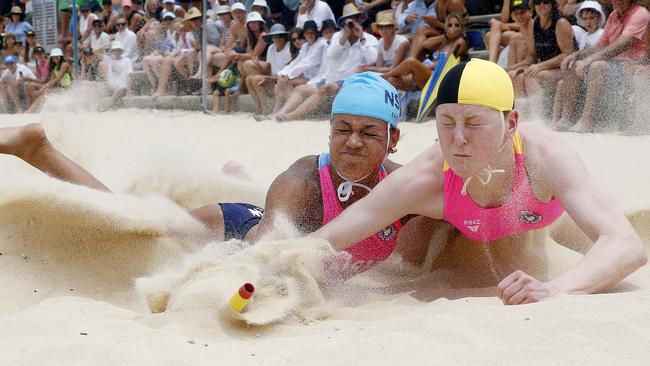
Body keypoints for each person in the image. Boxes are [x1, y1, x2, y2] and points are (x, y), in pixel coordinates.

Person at [0, 72, 438, 282]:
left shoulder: (406, 189)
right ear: (329, 130)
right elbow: (266, 246)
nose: (353, 142)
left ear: (394, 138)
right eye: (342, 129)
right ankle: (38, 147)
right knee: (137, 228)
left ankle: (239, 174)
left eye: (368, 133)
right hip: (239, 228)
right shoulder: (304, 177)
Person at [309, 59, 647, 304]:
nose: (458, 140)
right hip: (465, 240)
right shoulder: (427, 177)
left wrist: (554, 289)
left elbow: (626, 246)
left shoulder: (544, 157)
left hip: (547, 224)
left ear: (511, 123)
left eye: (474, 123)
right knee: (415, 244)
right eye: (446, 123)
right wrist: (273, 264)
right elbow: (328, 238)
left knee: (590, 235)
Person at [274, 3, 378, 121]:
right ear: (342, 23)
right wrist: (344, 37)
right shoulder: (337, 37)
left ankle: (291, 116)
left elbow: (372, 59)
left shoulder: (369, 39)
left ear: (359, 19)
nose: (351, 23)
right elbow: (331, 55)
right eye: (348, 21)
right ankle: (277, 114)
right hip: (331, 79)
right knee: (300, 89)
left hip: (350, 81)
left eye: (354, 19)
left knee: (324, 90)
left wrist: (361, 38)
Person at [559, 0, 650, 132]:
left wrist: (589, 60)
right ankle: (566, 119)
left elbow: (621, 44)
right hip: (615, 65)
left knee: (597, 66)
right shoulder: (614, 15)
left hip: (630, 65)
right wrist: (577, 55)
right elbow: (601, 44)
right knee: (571, 64)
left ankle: (586, 122)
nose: (616, 1)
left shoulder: (640, 13)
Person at [509, 0, 576, 119]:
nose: (541, 5)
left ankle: (539, 118)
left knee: (532, 77)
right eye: (537, 2)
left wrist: (540, 66)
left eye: (545, 2)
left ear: (552, 4)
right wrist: (524, 67)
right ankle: (522, 118)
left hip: (566, 69)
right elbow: (532, 54)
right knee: (517, 77)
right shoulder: (536, 23)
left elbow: (567, 54)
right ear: (533, 6)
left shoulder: (560, 22)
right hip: (547, 68)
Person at [270, 18, 337, 120]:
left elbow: (307, 63)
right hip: (308, 77)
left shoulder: (321, 44)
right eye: (307, 33)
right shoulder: (305, 46)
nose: (310, 35)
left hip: (315, 78)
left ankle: (284, 112)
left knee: (286, 82)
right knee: (281, 83)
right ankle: (277, 112)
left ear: (316, 33)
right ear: (304, 34)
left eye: (312, 32)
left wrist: (288, 75)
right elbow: (296, 62)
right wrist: (282, 74)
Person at [382, 13, 467, 92]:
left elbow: (445, 63)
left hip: (438, 76)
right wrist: (445, 36)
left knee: (411, 62)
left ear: (461, 28)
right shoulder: (444, 40)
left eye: (457, 25)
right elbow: (425, 45)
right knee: (392, 80)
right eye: (449, 25)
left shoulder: (460, 42)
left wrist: (420, 67)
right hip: (427, 73)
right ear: (445, 27)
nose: (453, 28)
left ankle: (383, 77)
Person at [246, 23, 293, 118]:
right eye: (275, 37)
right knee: (249, 78)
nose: (277, 39)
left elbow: (288, 74)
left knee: (256, 80)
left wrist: (270, 78)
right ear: (272, 38)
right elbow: (268, 69)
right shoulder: (271, 48)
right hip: (273, 79)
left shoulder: (289, 49)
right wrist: (258, 64)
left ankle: (266, 110)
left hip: (284, 82)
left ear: (285, 37)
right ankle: (259, 108)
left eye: (280, 36)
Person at [358, 9, 409, 74]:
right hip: (389, 74)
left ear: (394, 28)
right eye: (381, 27)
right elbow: (379, 67)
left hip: (403, 74)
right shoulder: (380, 42)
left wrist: (368, 69)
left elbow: (393, 68)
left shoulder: (402, 42)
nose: (384, 30)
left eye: (388, 27)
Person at [99, 41, 134, 111]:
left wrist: (129, 89)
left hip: (122, 87)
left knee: (118, 90)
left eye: (118, 50)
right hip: (111, 86)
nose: (117, 52)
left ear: (121, 51)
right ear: (112, 51)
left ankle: (106, 108)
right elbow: (95, 51)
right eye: (115, 50)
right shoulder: (109, 59)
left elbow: (129, 75)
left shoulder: (126, 60)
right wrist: (108, 43)